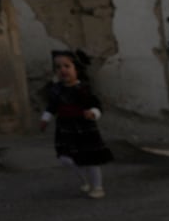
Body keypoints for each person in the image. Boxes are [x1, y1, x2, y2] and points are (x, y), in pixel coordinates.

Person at [39, 50, 113, 199]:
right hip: (65, 129)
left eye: (67, 66)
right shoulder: (56, 90)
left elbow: (96, 105)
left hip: (84, 128)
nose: (63, 70)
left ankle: (97, 187)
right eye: (58, 67)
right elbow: (52, 106)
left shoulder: (84, 89)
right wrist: (45, 119)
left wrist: (93, 113)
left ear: (76, 69)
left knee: (92, 160)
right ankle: (84, 181)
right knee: (65, 158)